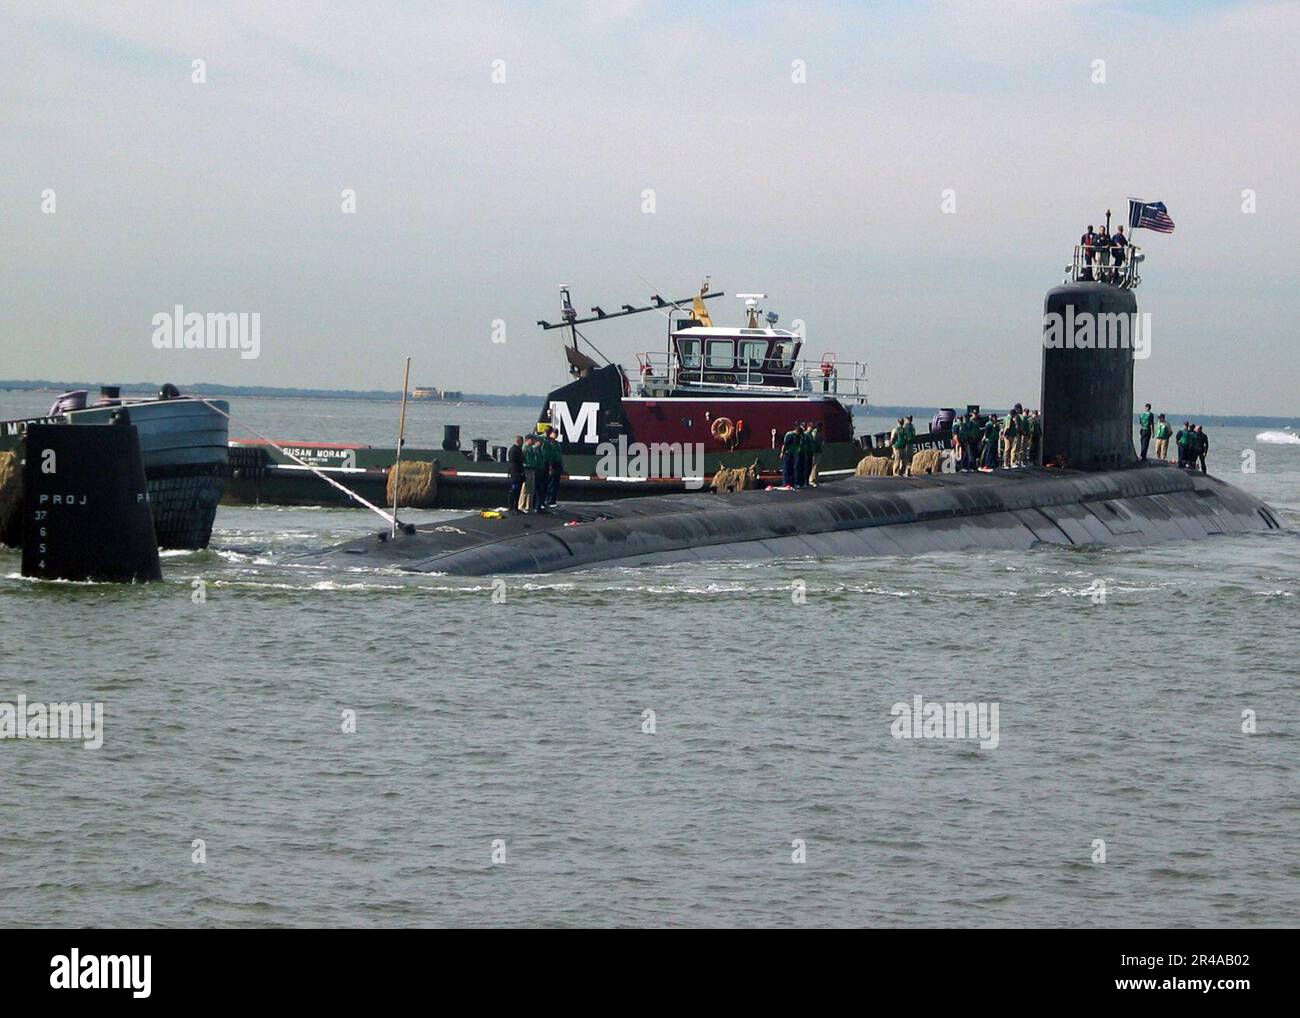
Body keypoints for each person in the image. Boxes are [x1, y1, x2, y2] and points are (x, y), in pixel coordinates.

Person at [521, 434, 541, 511]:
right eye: (532, 440)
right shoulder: (524, 448)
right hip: (526, 469)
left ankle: (529, 506)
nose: (534, 441)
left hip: (532, 469)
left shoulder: (531, 448)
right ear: (528, 439)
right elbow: (522, 459)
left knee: (531, 489)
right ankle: (522, 505)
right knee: (525, 488)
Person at [544, 427, 563, 507]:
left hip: (557, 465)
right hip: (552, 465)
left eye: (557, 433)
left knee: (555, 484)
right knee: (551, 484)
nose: (555, 435)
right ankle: (548, 500)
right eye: (554, 433)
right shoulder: (549, 443)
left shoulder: (557, 443)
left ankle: (553, 501)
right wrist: (550, 467)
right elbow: (549, 456)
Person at [506, 435, 525, 513]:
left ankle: (515, 507)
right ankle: (511, 507)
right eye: (522, 441)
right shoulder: (514, 450)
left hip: (518, 472)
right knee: (514, 490)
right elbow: (516, 461)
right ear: (519, 441)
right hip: (515, 472)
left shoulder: (517, 449)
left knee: (518, 490)